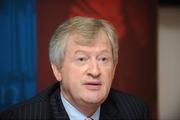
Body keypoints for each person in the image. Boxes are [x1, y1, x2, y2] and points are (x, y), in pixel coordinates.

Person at [0, 16, 150, 120]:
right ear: (57, 69)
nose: (95, 71)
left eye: (103, 59)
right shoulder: (22, 117)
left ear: (114, 68)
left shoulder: (135, 111)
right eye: (82, 59)